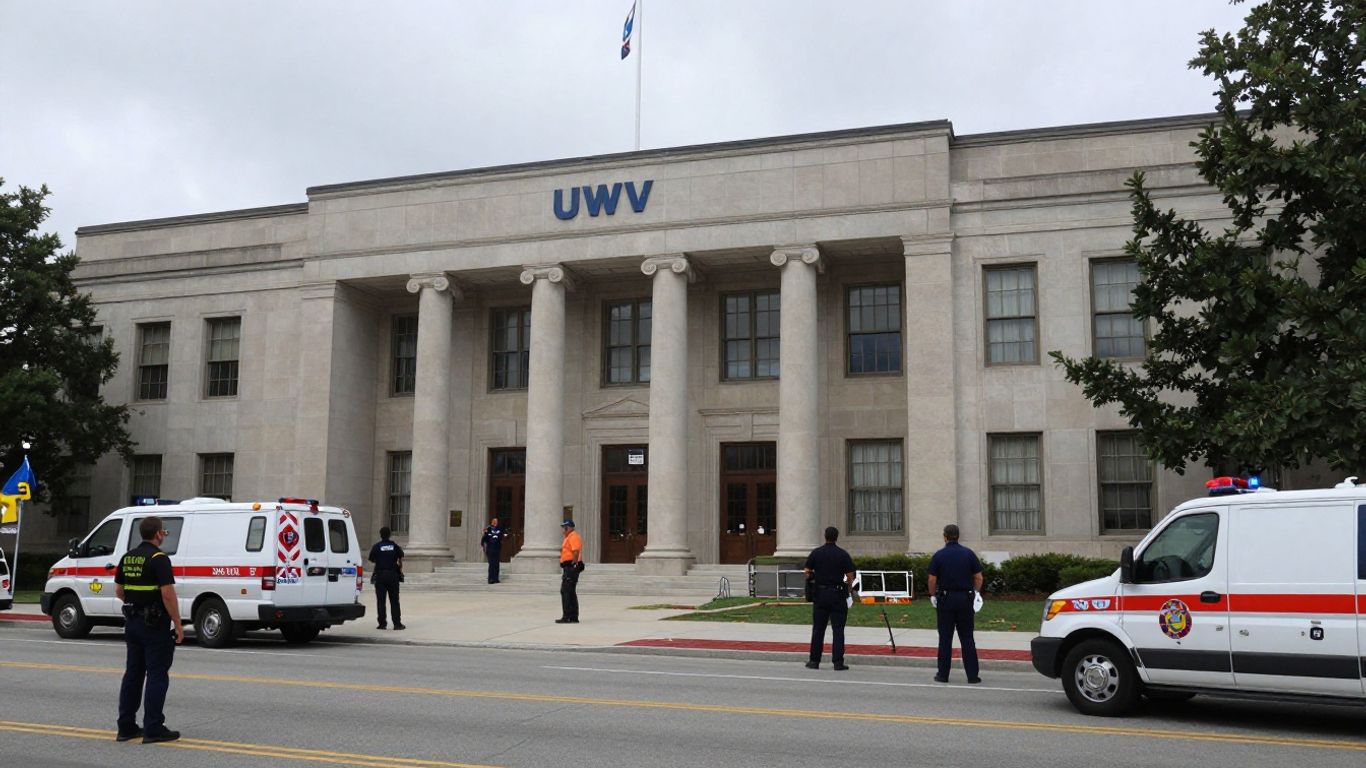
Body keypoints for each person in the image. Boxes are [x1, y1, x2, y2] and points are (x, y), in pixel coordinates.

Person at [115, 516, 184, 744]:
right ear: (157, 534)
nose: (164, 535)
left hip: (133, 622)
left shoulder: (128, 557)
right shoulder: (159, 558)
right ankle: (153, 728)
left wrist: (137, 603)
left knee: (133, 674)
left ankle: (126, 727)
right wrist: (177, 622)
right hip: (154, 625)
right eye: (163, 532)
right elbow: (167, 594)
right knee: (157, 674)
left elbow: (119, 591)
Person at [927, 523, 983, 684]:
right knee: (967, 637)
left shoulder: (939, 555)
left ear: (945, 537)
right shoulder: (968, 554)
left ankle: (943, 675)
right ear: (958, 536)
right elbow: (978, 577)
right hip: (965, 599)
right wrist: (976, 592)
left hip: (946, 599)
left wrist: (933, 595)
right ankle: (972, 675)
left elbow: (932, 579)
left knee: (945, 638)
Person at [803, 526, 856, 671]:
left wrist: (814, 578)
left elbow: (807, 571)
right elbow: (850, 575)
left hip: (820, 594)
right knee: (838, 629)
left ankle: (814, 661)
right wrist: (848, 588)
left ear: (825, 536)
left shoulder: (816, 553)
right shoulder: (842, 554)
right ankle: (838, 662)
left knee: (818, 629)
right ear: (836, 537)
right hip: (838, 594)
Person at [368, 526, 405, 630]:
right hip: (392, 575)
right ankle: (397, 624)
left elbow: (371, 559)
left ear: (380, 535)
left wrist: (381, 561)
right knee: (394, 601)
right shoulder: (394, 546)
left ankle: (382, 624)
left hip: (380, 575)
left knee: (381, 601)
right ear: (390, 534)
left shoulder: (377, 546)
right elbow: (400, 557)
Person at [556, 519, 582, 624]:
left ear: (570, 527)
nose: (563, 529)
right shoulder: (568, 537)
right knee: (570, 591)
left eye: (565, 527)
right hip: (568, 566)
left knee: (566, 591)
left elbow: (575, 551)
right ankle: (573, 617)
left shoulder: (573, 536)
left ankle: (567, 616)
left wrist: (573, 564)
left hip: (571, 567)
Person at [480, 517, 507, 584]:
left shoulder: (500, 529)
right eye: (494, 521)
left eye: (496, 521)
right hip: (490, 548)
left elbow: (503, 536)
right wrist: (483, 545)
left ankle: (496, 578)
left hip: (497, 549)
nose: (495, 522)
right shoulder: (488, 529)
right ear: (491, 522)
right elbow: (484, 539)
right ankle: (490, 579)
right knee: (491, 564)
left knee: (496, 564)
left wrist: (505, 536)